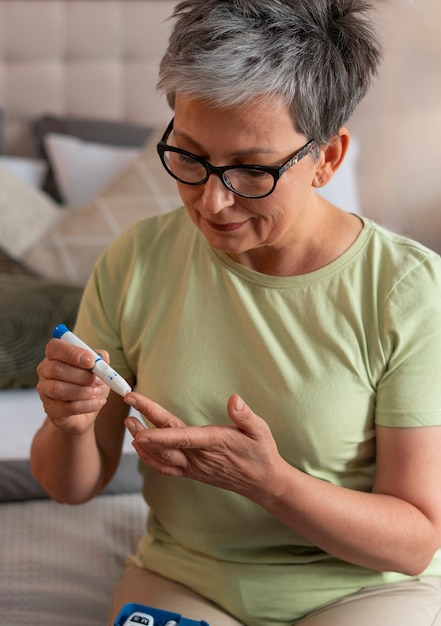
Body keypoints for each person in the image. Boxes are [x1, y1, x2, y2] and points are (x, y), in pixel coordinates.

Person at [30, 1, 441, 625]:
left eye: (252, 170)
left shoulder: (405, 291)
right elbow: (72, 487)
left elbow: (415, 541)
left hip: (363, 590)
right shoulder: (137, 260)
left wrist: (269, 483)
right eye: (190, 156)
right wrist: (70, 423)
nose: (213, 201)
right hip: (188, 579)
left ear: (328, 158)